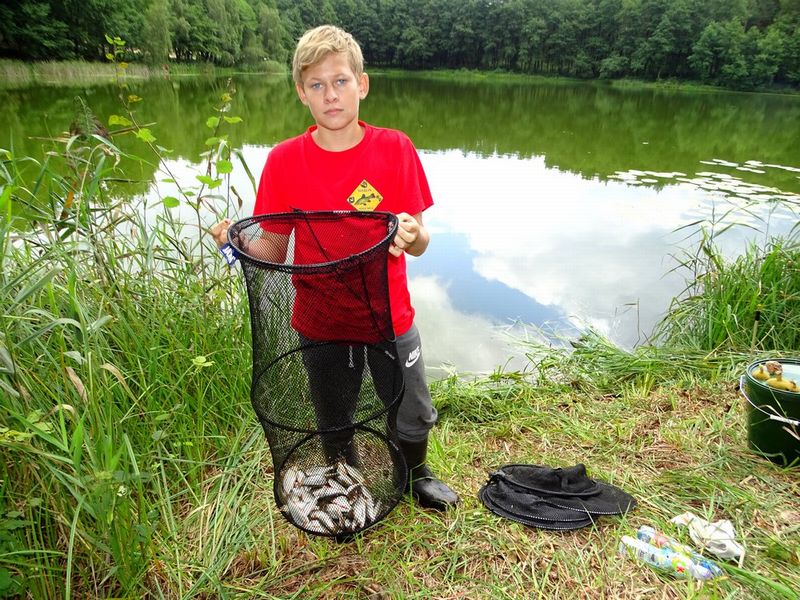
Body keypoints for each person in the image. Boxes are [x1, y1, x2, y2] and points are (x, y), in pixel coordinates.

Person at [211, 24, 458, 511]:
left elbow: (421, 242)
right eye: (317, 85)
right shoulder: (284, 161)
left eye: (340, 81)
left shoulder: (395, 148)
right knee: (332, 412)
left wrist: (413, 235)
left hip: (389, 316)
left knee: (412, 407)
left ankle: (416, 474)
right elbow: (272, 249)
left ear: (361, 85)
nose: (331, 95)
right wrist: (235, 241)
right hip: (320, 318)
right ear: (301, 93)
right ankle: (346, 477)